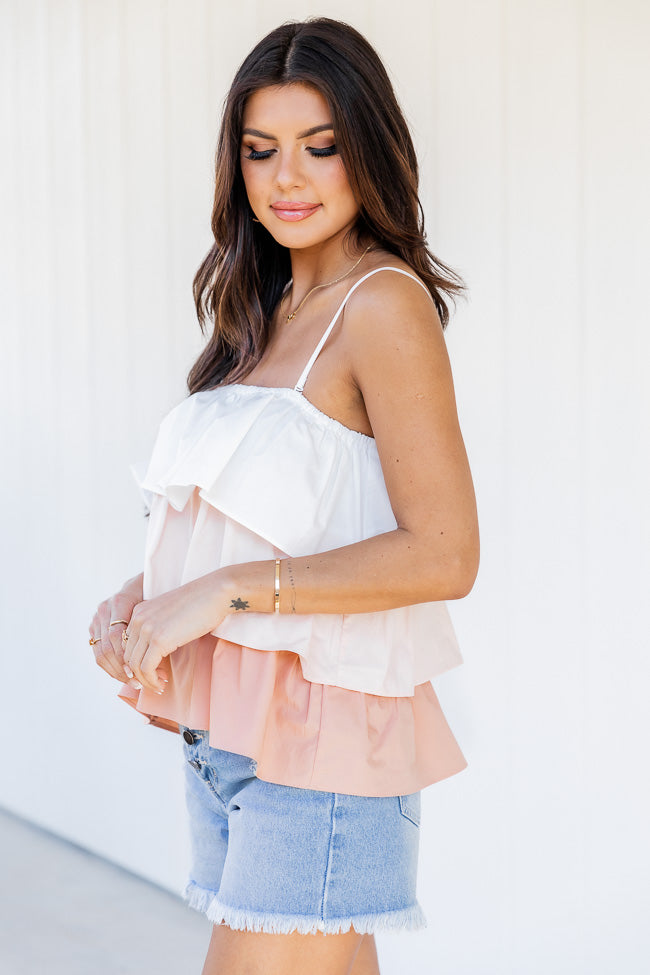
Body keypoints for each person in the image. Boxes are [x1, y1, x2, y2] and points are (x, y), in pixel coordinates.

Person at [88, 17, 479, 975]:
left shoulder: (380, 305)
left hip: (325, 753)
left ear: (370, 151)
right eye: (261, 151)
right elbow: (261, 513)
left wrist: (222, 590)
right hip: (234, 740)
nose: (287, 178)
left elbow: (444, 551)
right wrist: (144, 591)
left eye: (321, 146)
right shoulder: (262, 311)